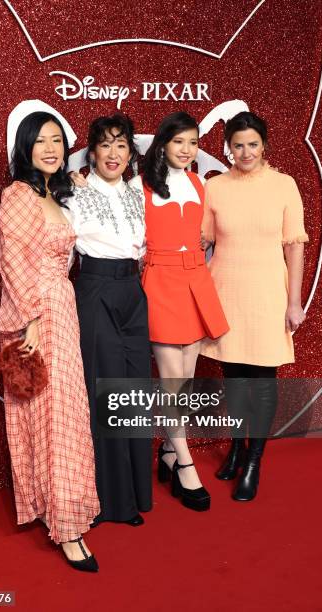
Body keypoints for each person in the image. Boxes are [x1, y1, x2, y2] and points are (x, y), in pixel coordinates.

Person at [0, 105, 100, 572]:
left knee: (66, 413)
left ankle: (67, 506)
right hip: (37, 314)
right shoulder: (17, 195)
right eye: (41, 140)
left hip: (64, 307)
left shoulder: (56, 196)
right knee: (49, 414)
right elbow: (13, 263)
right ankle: (67, 527)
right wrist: (31, 324)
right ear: (25, 147)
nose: (51, 148)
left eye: (57, 140)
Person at [201, 111, 308, 501]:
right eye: (238, 145)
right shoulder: (216, 188)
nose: (245, 152)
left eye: (253, 144)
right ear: (227, 147)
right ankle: (236, 446)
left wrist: (294, 302)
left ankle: (253, 462)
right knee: (234, 378)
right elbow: (202, 243)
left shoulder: (284, 185)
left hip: (267, 294)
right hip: (226, 291)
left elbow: (294, 245)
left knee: (262, 382)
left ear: (264, 145)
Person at [129, 112, 229, 511]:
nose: (187, 150)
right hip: (161, 282)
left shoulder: (199, 184)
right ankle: (185, 463)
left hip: (195, 282)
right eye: (179, 142)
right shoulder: (140, 186)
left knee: (184, 381)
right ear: (163, 145)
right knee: (172, 381)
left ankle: (169, 453)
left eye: (193, 142)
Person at [66, 114, 152, 526]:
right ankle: (110, 502)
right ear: (92, 152)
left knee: (135, 390)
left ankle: (135, 490)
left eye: (121, 145)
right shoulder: (75, 195)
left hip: (134, 292)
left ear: (131, 152)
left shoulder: (138, 191)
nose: (113, 153)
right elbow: (63, 255)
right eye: (105, 145)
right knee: (107, 392)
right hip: (95, 289)